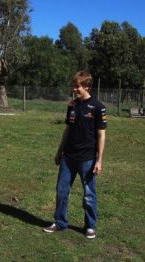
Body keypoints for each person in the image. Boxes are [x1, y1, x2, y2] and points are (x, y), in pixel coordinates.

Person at [43, 71, 107, 239]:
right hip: (68, 158)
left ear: (87, 86)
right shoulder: (72, 105)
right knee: (61, 191)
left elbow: (101, 135)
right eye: (74, 86)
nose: (74, 89)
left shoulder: (98, 107)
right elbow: (67, 130)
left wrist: (99, 160)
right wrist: (59, 152)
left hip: (87, 159)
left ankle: (90, 226)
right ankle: (60, 222)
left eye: (77, 86)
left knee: (89, 194)